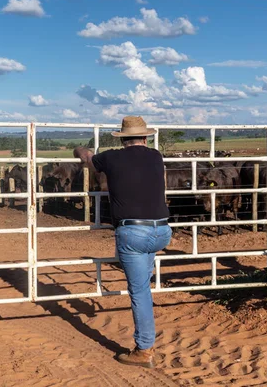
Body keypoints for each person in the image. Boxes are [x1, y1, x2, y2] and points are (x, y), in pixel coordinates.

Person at [74, 115, 172, 369]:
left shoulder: (111, 157)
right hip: (161, 230)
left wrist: (80, 150)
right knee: (144, 286)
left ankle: (144, 350)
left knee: (139, 291)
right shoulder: (156, 156)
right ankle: (147, 343)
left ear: (122, 137)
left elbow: (87, 160)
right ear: (145, 137)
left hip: (133, 233)